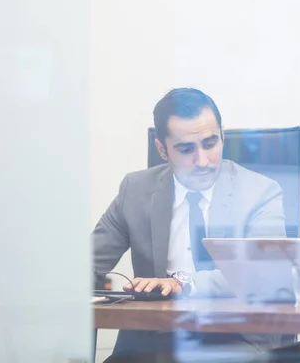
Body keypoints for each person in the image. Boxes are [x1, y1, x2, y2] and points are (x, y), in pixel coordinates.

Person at [92, 88, 286, 361]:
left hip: (234, 340)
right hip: (152, 342)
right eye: (186, 149)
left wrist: (183, 283)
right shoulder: (135, 190)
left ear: (222, 136)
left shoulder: (260, 192)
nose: (203, 161)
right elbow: (86, 264)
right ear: (162, 149)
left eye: (210, 143)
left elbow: (263, 274)